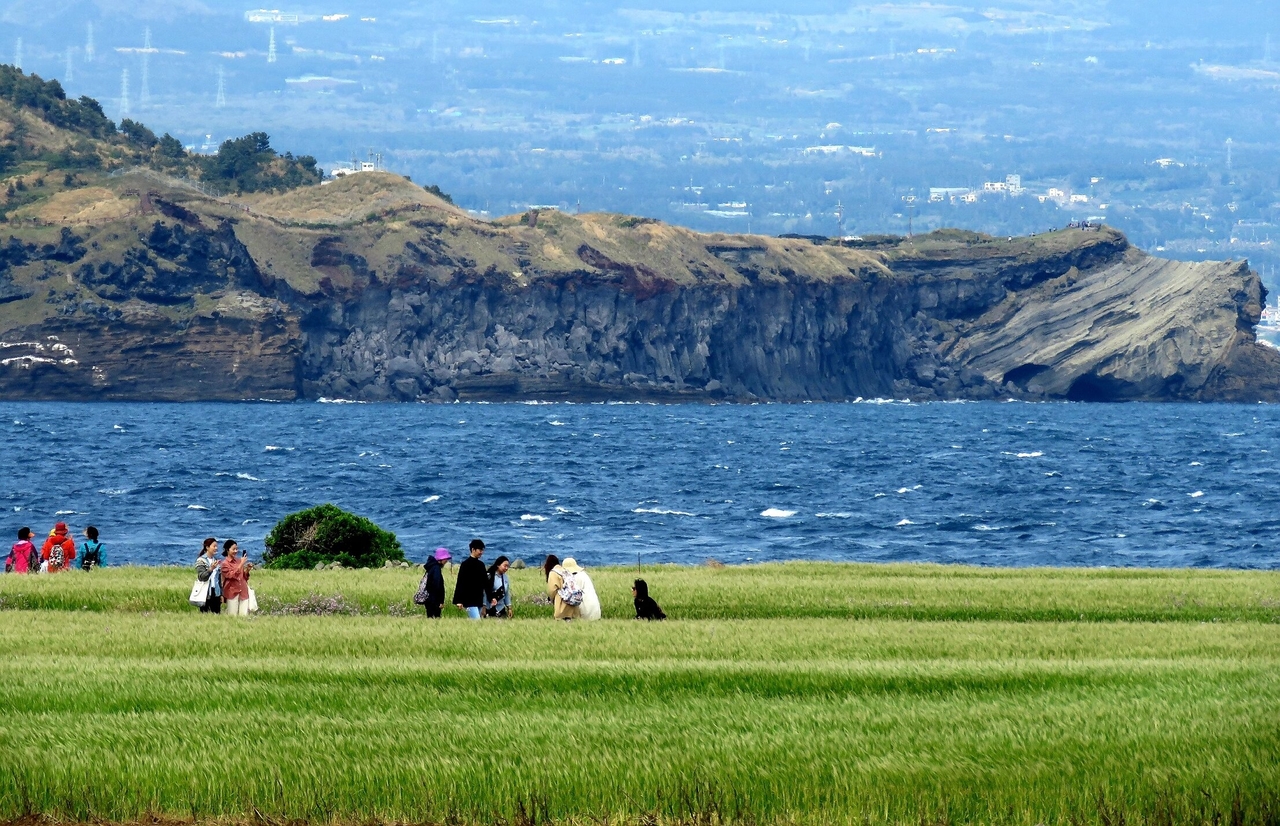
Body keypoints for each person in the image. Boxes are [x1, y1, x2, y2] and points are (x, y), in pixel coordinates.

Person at [452, 539, 487, 620]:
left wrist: (491, 597)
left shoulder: (481, 565)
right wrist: (458, 600)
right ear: (473, 550)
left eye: (482, 550)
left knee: (476, 622)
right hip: (469, 600)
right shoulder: (465, 565)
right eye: (480, 550)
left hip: (479, 599)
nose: (481, 552)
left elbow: (486, 583)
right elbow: (460, 583)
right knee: (476, 621)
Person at [219, 539, 253, 617]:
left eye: (237, 549)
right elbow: (231, 575)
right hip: (232, 592)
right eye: (233, 549)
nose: (236, 551)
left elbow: (244, 577)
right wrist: (241, 564)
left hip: (243, 590)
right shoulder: (224, 564)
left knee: (244, 616)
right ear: (227, 550)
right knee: (232, 616)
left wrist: (247, 569)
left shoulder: (238, 561)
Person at [416, 547, 450, 618]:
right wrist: (440, 601)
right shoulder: (436, 569)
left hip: (428, 599)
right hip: (434, 600)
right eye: (445, 559)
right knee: (435, 619)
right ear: (441, 559)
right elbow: (437, 586)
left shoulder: (431, 567)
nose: (446, 561)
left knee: (430, 618)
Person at [545, 555, 580, 621]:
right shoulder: (565, 570)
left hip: (562, 604)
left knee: (561, 622)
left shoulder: (553, 573)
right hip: (573, 603)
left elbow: (552, 590)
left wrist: (552, 599)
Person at [195, 537, 222, 614]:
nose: (216, 548)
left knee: (217, 615)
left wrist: (221, 594)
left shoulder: (215, 560)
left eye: (216, 546)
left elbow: (219, 579)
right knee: (205, 613)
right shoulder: (201, 560)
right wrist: (211, 569)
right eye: (214, 546)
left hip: (216, 592)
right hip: (205, 592)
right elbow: (202, 577)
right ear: (207, 547)